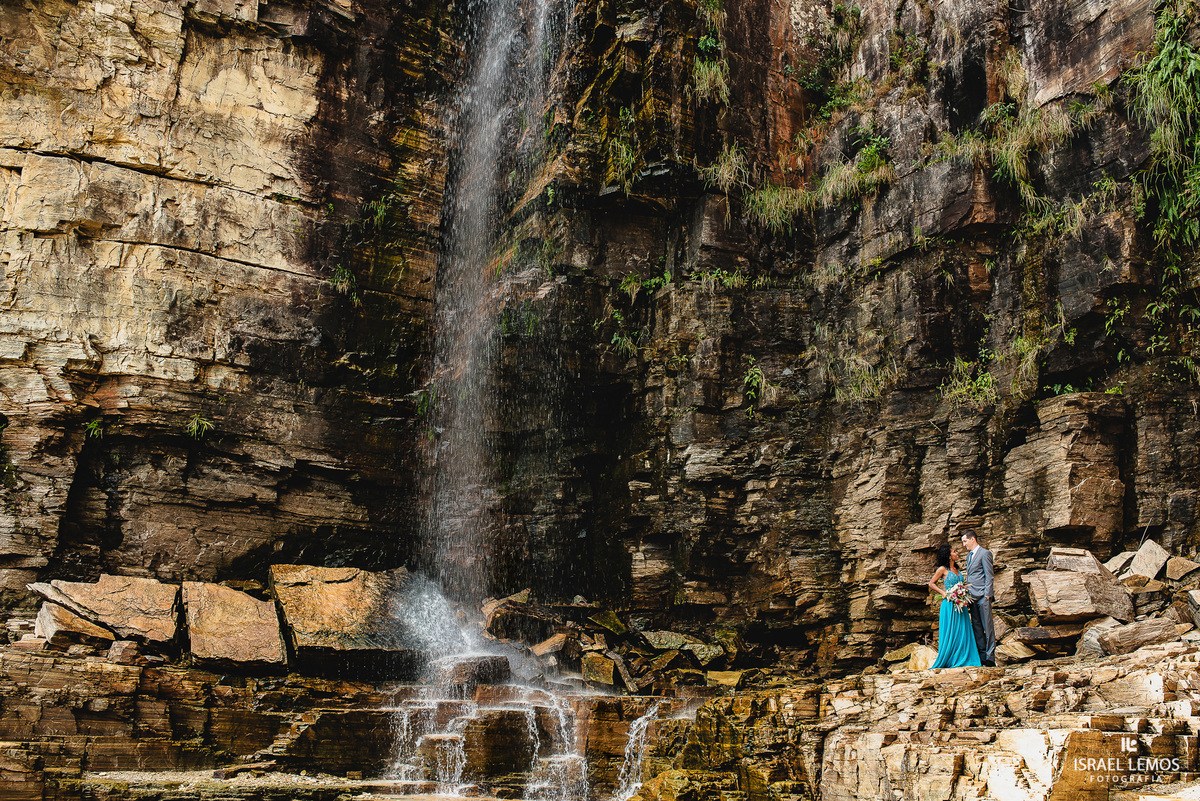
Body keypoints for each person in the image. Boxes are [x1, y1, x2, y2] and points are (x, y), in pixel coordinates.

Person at [927, 543, 982, 669]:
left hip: (960, 604)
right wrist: (943, 593)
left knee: (963, 631)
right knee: (952, 631)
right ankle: (951, 658)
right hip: (949, 605)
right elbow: (931, 583)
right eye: (954, 551)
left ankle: (965, 657)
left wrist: (963, 595)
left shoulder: (957, 569)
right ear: (948, 556)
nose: (957, 553)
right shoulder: (942, 569)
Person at [960, 529, 996, 666]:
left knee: (988, 627)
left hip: (983, 597)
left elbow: (989, 575)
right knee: (977, 627)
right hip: (971, 598)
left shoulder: (985, 553)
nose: (964, 544)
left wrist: (988, 595)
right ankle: (981, 656)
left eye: (965, 541)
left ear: (972, 539)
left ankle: (990, 657)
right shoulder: (969, 556)